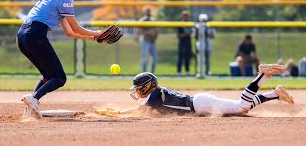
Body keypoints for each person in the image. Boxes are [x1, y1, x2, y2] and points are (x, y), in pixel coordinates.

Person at [17, 0, 104, 119]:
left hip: (22, 37)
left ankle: (31, 105)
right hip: (35, 35)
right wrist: (96, 33)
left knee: (48, 75)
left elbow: (69, 32)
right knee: (59, 78)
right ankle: (34, 99)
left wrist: (92, 38)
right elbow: (76, 27)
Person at [97, 64, 294, 116]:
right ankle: (275, 93)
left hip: (201, 104)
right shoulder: (155, 95)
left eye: (139, 88)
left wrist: (117, 113)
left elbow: (141, 110)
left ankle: (262, 74)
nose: (137, 91)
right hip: (201, 105)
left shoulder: (155, 95)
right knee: (241, 110)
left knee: (242, 107)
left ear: (148, 85)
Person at [138, 6, 158, 73]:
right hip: (145, 41)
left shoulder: (153, 20)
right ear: (144, 12)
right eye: (147, 11)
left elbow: (156, 31)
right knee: (145, 58)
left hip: (152, 41)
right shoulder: (142, 20)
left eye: (149, 11)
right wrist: (149, 33)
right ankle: (143, 74)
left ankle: (152, 74)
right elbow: (140, 31)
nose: (148, 12)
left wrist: (155, 34)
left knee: (155, 58)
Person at [177, 10, 193, 76]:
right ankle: (179, 71)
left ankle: (187, 71)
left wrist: (188, 33)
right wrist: (186, 34)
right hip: (182, 43)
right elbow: (178, 35)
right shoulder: (180, 24)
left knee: (187, 57)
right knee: (181, 57)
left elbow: (192, 32)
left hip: (188, 43)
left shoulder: (189, 23)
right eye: (184, 15)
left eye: (187, 15)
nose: (185, 17)